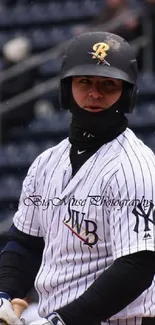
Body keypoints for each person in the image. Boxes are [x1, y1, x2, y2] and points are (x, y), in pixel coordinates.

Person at [0, 31, 154, 325]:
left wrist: (64, 320)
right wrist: (4, 293)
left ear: (128, 93)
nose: (94, 93)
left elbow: (137, 266)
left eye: (108, 84)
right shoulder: (46, 163)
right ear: (66, 88)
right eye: (84, 81)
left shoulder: (135, 167)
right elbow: (25, 244)